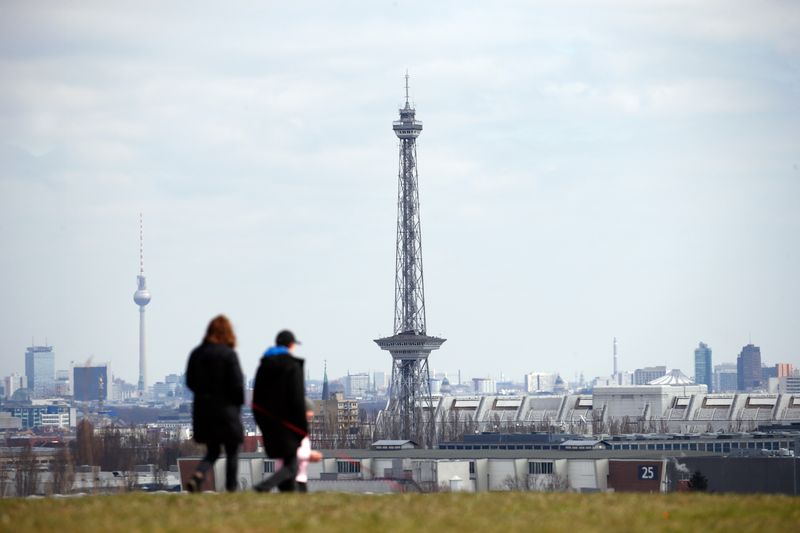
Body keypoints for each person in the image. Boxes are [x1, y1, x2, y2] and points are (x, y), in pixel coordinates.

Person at [184, 315, 245, 492]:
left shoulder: (197, 353)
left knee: (213, 451)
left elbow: (189, 381)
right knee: (232, 449)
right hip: (226, 410)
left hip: (203, 410)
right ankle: (231, 488)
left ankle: (199, 475)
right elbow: (237, 384)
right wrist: (237, 405)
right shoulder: (228, 354)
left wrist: (203, 394)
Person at [252, 329, 308, 492]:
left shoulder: (264, 366)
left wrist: (262, 421)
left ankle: (287, 499)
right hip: (288, 424)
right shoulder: (292, 366)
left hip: (268, 422)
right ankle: (264, 486)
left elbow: (256, 399)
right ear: (291, 345)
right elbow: (297, 400)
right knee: (292, 465)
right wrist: (302, 429)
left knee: (286, 461)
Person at [295, 399, 323, 492]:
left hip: (300, 476)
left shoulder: (304, 430)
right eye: (308, 416)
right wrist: (310, 455)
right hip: (292, 476)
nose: (310, 419)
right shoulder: (295, 431)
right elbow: (292, 452)